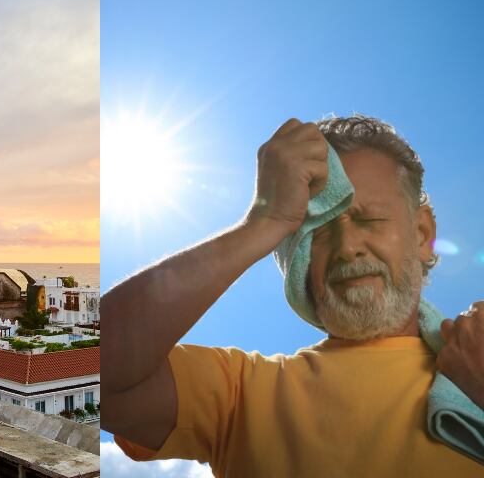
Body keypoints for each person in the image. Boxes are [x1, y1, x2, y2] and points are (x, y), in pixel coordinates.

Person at [101, 115, 484, 477]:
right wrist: (264, 223)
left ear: (421, 234)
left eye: (370, 220)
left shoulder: (474, 367)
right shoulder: (241, 394)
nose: (348, 246)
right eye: (318, 230)